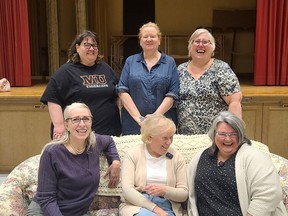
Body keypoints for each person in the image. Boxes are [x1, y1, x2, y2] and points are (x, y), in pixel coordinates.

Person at [26, 102, 121, 216]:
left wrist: (115, 162)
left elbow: (109, 141)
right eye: (75, 119)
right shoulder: (52, 152)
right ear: (66, 125)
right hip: (46, 212)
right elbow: (46, 198)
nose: (82, 124)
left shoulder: (94, 143)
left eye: (86, 119)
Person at [187, 111, 287, 216]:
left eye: (233, 134)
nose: (228, 139)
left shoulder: (255, 157)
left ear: (241, 136)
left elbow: (269, 194)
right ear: (214, 134)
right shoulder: (200, 156)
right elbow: (189, 193)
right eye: (222, 134)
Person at [41, 30, 121, 140]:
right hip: (78, 135)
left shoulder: (106, 68)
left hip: (108, 133)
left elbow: (117, 94)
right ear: (77, 47)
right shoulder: (66, 71)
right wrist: (59, 126)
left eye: (94, 45)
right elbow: (52, 99)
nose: (91, 48)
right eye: (86, 45)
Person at [117, 22, 179, 135]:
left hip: (162, 124)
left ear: (159, 40)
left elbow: (173, 94)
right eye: (145, 37)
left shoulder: (170, 62)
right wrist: (140, 119)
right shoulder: (130, 61)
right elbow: (122, 90)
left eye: (153, 36)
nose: (149, 39)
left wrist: (155, 117)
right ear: (140, 41)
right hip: (133, 124)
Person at [119, 114, 188, 216]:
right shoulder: (133, 154)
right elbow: (127, 190)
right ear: (150, 137)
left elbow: (184, 194)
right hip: (137, 205)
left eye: (171, 137)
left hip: (167, 205)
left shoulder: (176, 157)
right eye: (164, 138)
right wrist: (155, 209)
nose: (169, 142)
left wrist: (165, 191)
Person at [177, 28, 242, 135]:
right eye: (197, 41)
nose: (200, 45)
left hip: (215, 137)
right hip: (186, 138)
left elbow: (234, 101)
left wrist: (232, 132)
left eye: (205, 42)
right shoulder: (180, 70)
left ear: (212, 48)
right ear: (190, 46)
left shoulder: (221, 68)